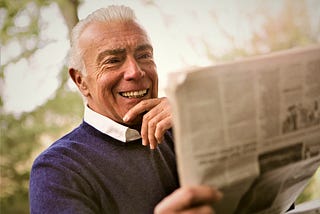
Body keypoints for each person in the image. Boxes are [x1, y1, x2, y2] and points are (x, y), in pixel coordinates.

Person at [29, 5, 222, 214]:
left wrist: (199, 115)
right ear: (81, 81)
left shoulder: (184, 128)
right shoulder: (58, 168)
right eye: (113, 61)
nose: (135, 72)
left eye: (144, 55)